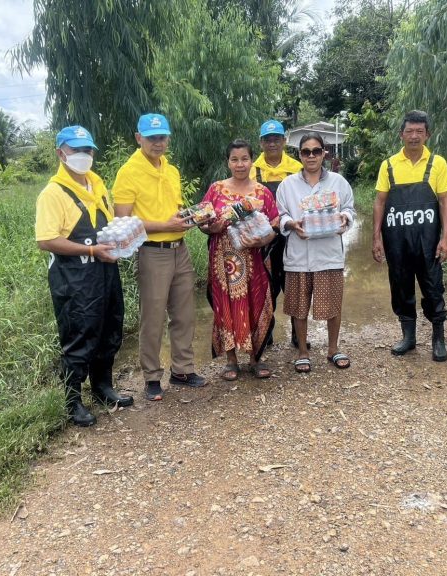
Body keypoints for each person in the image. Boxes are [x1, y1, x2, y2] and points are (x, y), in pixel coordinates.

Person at [35, 125, 133, 427]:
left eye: (87, 150)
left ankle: (102, 387)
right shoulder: (53, 193)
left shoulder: (97, 185)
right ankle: (73, 400)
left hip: (105, 269)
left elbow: (106, 224)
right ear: (61, 153)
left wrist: (123, 238)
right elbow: (46, 240)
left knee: (110, 326)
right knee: (80, 333)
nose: (83, 155)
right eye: (76, 150)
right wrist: (91, 251)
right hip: (74, 275)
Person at [112, 113, 206, 401]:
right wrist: (164, 225)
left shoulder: (171, 170)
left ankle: (182, 369)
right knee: (153, 318)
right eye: (152, 137)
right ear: (138, 138)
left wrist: (187, 218)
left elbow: (172, 209)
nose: (158, 142)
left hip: (180, 249)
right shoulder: (128, 172)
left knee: (185, 314)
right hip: (153, 252)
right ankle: (152, 377)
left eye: (162, 137)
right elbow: (121, 220)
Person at [372, 110, 447, 362]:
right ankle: (408, 337)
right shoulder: (388, 165)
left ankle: (438, 339)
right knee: (401, 286)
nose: (414, 136)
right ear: (401, 135)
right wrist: (376, 237)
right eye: (409, 131)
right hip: (397, 242)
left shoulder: (437, 163)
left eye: (419, 131)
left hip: (428, 242)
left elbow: (445, 202)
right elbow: (380, 202)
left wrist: (446, 237)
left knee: (434, 288)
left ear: (428, 134)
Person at [276, 133, 356, 373]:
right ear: (299, 155)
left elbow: (350, 209)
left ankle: (333, 348)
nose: (311, 156)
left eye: (316, 151)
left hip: (328, 254)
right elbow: (280, 215)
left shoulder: (338, 183)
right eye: (306, 152)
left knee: (333, 304)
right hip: (298, 256)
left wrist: (345, 218)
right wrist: (291, 224)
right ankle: (302, 351)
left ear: (324, 153)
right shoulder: (287, 185)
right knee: (299, 307)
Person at [200, 139, 279, 380]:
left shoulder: (262, 192)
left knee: (255, 305)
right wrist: (209, 227)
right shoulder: (216, 189)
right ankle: (231, 360)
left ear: (252, 160)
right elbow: (202, 221)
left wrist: (263, 240)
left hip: (254, 258)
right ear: (228, 162)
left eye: (244, 159)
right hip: (224, 262)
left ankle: (256, 359)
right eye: (234, 159)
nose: (240, 164)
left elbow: (275, 224)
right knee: (226, 307)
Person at [252, 119, 304, 347]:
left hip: (293, 236)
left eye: (276, 138)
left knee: (295, 285)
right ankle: (267, 331)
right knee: (267, 286)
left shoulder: (297, 167)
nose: (272, 143)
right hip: (265, 239)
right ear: (261, 143)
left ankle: (297, 334)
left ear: (285, 140)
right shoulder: (252, 170)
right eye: (267, 139)